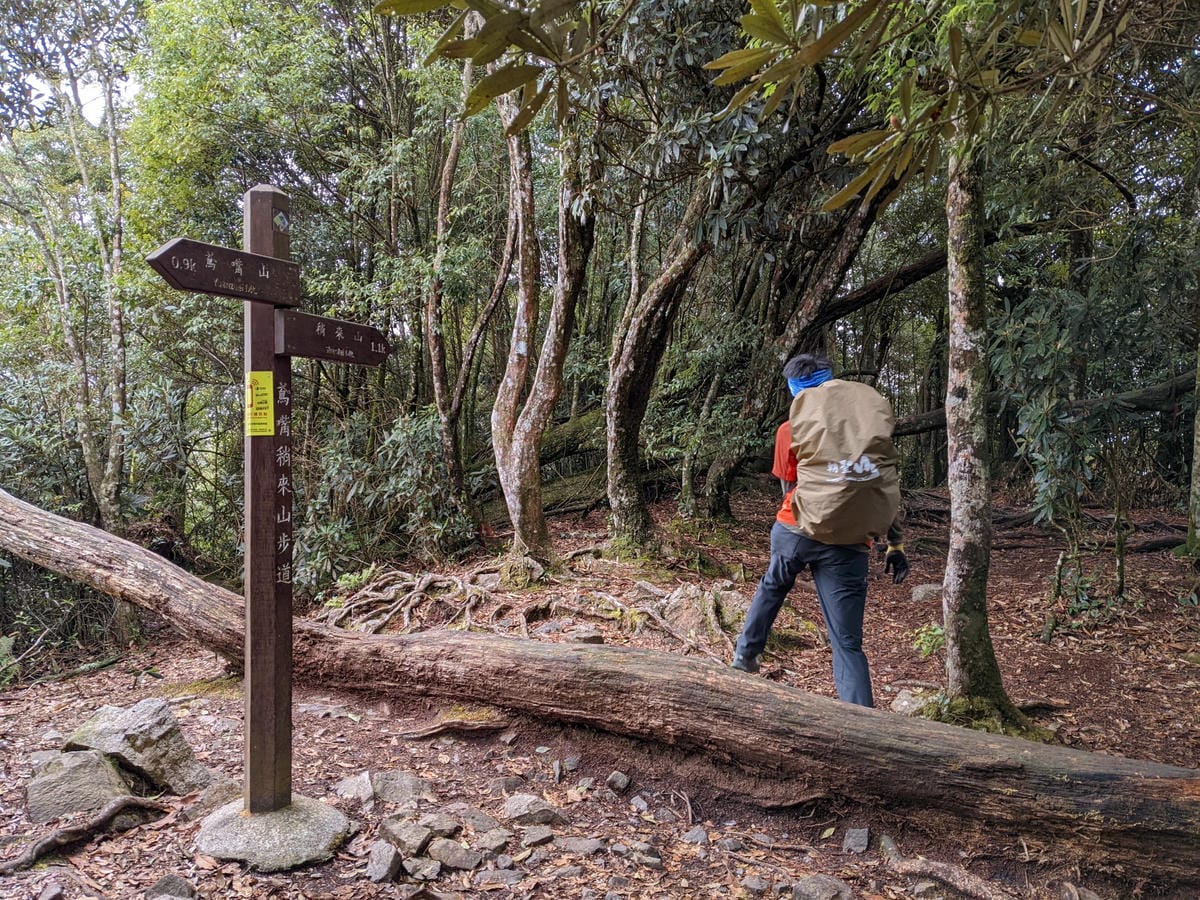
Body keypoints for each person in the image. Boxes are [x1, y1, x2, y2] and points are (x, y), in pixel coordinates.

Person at [732, 353, 909, 708]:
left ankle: (745, 659)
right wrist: (895, 543)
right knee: (847, 642)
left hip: (796, 531)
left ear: (795, 389)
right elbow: (878, 490)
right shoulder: (866, 433)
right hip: (850, 543)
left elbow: (789, 488)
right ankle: (860, 717)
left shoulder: (791, 428)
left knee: (773, 585)